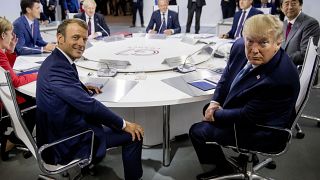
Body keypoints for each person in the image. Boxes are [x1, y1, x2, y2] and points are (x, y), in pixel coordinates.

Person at [189, 14, 300, 180]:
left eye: (263, 42)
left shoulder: (280, 79)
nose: (254, 49)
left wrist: (213, 113)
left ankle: (222, 169)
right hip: (253, 111)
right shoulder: (240, 46)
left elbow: (247, 116)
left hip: (264, 130)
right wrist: (215, 101)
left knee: (197, 131)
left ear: (278, 42)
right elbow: (227, 76)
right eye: (250, 41)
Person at [36, 19, 143, 179]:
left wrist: (82, 88)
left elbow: (67, 86)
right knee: (134, 135)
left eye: (84, 39)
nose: (81, 43)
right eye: (76, 37)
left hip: (60, 129)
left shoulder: (58, 60)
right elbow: (89, 105)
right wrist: (123, 124)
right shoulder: (56, 68)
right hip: (65, 142)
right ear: (60, 38)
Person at [0, 17, 37, 161]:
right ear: (3, 35)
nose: (12, 37)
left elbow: (7, 73)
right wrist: (37, 75)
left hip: (4, 95)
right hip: (4, 102)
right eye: (10, 34)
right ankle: (14, 139)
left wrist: (11, 50)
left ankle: (16, 138)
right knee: (36, 104)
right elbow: (15, 81)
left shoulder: (1, 53)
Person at [280, 0, 320, 65]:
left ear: (301, 6)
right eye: (286, 4)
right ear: (281, 8)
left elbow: (305, 53)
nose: (290, 7)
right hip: (282, 69)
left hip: (298, 71)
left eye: (293, 3)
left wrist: (280, 61)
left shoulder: (310, 23)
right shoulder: (283, 25)